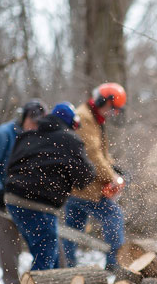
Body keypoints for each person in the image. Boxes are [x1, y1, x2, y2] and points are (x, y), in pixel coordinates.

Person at [5, 103, 95, 271]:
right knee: (45, 260)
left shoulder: (29, 135)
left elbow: (10, 165)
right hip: (39, 205)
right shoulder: (69, 139)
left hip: (13, 200)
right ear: (71, 123)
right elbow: (84, 176)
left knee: (49, 256)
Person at [0, 99, 48, 284]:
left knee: (41, 243)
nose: (34, 126)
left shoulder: (38, 137)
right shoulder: (3, 135)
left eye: (38, 123)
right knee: (8, 250)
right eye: (32, 121)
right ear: (23, 117)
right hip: (1, 201)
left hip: (26, 201)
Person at [61, 83, 127, 269]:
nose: (112, 113)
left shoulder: (93, 117)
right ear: (102, 101)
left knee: (72, 229)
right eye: (112, 108)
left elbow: (101, 153)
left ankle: (67, 266)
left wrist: (115, 168)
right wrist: (111, 177)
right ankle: (115, 265)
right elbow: (92, 154)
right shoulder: (85, 118)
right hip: (86, 186)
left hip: (78, 185)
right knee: (114, 216)